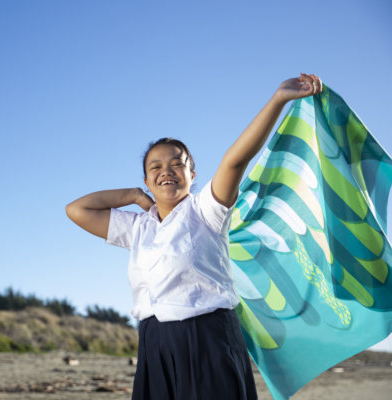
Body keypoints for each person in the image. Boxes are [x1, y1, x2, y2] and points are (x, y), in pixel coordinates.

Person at [65, 73, 323, 400]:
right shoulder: (138, 227)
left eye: (177, 164)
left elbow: (235, 160)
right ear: (146, 177)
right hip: (154, 343)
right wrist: (132, 194)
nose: (166, 171)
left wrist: (277, 99)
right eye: (155, 167)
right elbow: (76, 210)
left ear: (192, 174)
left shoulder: (206, 210)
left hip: (207, 338)